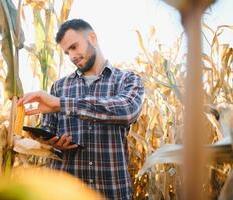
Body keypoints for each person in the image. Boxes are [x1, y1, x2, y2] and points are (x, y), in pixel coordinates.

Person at [18, 19, 145, 200]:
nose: (72, 56)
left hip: (111, 190)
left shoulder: (127, 80)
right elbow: (48, 130)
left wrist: (61, 104)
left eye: (74, 46)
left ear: (92, 37)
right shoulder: (59, 87)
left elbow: (127, 110)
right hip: (66, 192)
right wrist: (50, 141)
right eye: (67, 52)